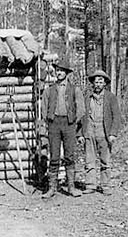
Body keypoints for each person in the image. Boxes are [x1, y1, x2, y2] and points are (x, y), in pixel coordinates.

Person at [41, 59, 85, 198]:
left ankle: (71, 187)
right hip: (54, 124)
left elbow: (81, 108)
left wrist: (73, 121)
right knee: (54, 156)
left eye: (61, 71)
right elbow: (44, 108)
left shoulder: (74, 89)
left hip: (69, 124)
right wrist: (48, 121)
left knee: (69, 156)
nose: (59, 73)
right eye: (57, 71)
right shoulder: (49, 90)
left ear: (66, 73)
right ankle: (52, 188)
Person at [79, 70, 121, 196]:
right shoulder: (87, 97)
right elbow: (81, 116)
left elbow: (116, 116)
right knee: (89, 159)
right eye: (96, 81)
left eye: (100, 81)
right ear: (93, 83)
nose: (98, 84)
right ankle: (90, 185)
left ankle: (105, 185)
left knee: (105, 160)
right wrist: (80, 134)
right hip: (89, 129)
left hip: (104, 130)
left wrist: (113, 133)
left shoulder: (110, 97)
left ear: (105, 83)